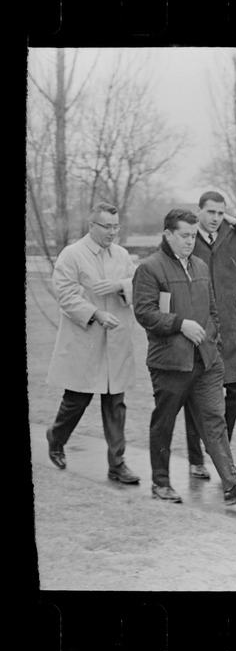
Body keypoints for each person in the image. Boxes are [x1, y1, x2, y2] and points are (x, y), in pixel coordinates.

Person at [132, 208, 236, 506]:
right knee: (164, 422)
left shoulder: (201, 267)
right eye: (184, 236)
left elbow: (214, 312)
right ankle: (161, 484)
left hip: (206, 362)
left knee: (215, 421)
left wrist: (212, 341)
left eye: (193, 236)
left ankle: (233, 486)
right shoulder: (150, 269)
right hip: (170, 363)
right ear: (168, 235)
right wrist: (180, 325)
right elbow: (144, 312)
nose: (190, 242)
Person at [45, 202, 140, 484]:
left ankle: (117, 464)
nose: (113, 232)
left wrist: (120, 286)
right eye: (107, 227)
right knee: (77, 400)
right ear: (92, 226)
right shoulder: (72, 254)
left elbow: (138, 282)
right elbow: (65, 294)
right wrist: (96, 313)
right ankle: (56, 437)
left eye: (116, 226)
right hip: (85, 340)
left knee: (115, 403)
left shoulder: (122, 255)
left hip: (116, 341)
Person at [183, 191, 236, 481]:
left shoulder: (232, 235)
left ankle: (219, 446)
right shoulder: (187, 238)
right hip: (200, 324)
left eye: (221, 213)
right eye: (210, 212)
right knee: (196, 395)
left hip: (232, 325)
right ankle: (197, 459)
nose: (215, 219)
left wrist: (235, 221)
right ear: (199, 212)